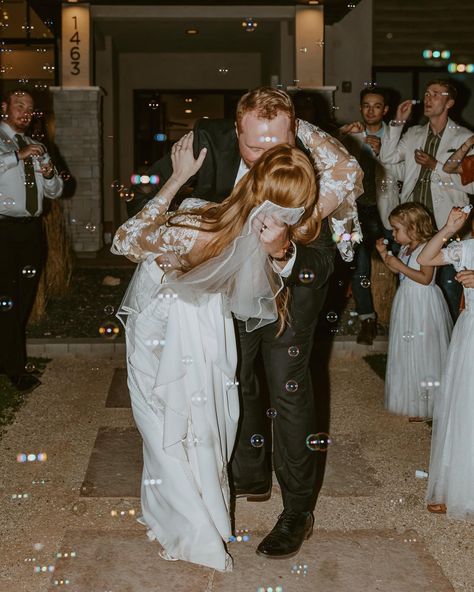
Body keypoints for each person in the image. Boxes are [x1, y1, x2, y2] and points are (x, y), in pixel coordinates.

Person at [127, 87, 363, 559]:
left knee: (287, 386)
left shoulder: (319, 166)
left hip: (295, 288)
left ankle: (298, 509)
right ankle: (250, 473)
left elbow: (321, 259)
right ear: (235, 132)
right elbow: (142, 198)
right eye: (255, 146)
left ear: (294, 132)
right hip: (230, 287)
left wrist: (281, 249)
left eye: (279, 143)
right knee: (236, 377)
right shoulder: (207, 141)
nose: (266, 157)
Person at [111, 134, 321, 570]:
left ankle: (190, 524)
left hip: (163, 330)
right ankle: (202, 509)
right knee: (200, 422)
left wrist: (178, 178)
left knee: (160, 418)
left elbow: (126, 239)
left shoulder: (198, 220)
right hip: (211, 335)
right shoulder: (257, 239)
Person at [379, 79, 474, 319]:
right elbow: (388, 156)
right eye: (426, 93)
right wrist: (398, 122)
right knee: (418, 284)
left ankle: (452, 343)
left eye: (435, 94)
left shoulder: (465, 137)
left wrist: (436, 166)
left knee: (451, 286)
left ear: (450, 102)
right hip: (415, 225)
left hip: (447, 223)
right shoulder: (414, 132)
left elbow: (471, 183)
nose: (428, 98)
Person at [0, 89, 63, 392]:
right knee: (7, 299)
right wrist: (17, 156)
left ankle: (7, 357)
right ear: (5, 108)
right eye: (19, 106)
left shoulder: (37, 144)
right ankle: (14, 368)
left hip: (31, 231)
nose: (25, 112)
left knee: (22, 299)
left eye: (30, 108)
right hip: (3, 230)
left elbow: (55, 191)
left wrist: (50, 174)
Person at [417, 206, 474, 520]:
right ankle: (461, 488)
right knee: (465, 409)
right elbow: (425, 260)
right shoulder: (467, 249)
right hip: (471, 335)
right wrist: (447, 230)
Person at [375, 203, 452, 420]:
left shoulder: (426, 247)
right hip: (407, 302)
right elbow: (398, 270)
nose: (393, 233)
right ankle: (411, 400)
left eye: (396, 229)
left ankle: (428, 403)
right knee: (408, 350)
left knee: (424, 350)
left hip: (423, 303)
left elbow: (425, 279)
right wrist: (385, 255)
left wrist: (399, 266)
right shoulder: (406, 248)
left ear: (414, 228)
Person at [340, 87, 402, 345]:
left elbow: (401, 173)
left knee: (399, 264)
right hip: (358, 211)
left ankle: (400, 318)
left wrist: (380, 153)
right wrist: (342, 136)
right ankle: (368, 319)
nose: (371, 110)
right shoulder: (351, 134)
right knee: (359, 267)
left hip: (386, 211)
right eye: (366, 105)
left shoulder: (397, 136)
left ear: (385, 110)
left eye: (377, 106)